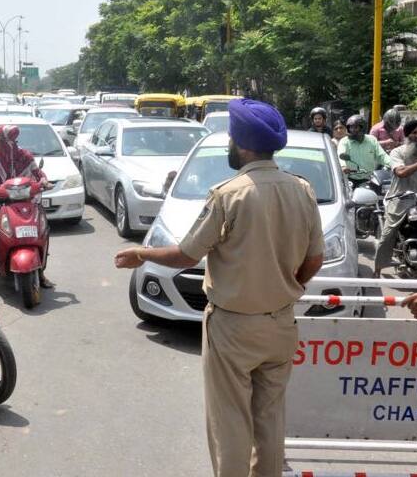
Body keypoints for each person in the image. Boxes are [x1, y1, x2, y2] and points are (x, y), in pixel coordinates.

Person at [115, 98, 324, 477]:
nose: (229, 144)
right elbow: (314, 260)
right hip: (281, 324)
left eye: (231, 138)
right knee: (270, 421)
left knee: (230, 423)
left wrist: (141, 253)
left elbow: (185, 254)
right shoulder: (302, 191)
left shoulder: (229, 194)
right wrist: (288, 285)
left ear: (242, 144)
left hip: (233, 327)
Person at [0, 125, 54, 293]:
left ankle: (40, 273)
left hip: (26, 201)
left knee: (43, 232)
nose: (6, 146)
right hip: (1, 201)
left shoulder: (25, 155)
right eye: (3, 142)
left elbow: (38, 172)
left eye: (9, 141)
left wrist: (44, 181)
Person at [373, 119, 417, 278]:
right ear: (407, 135)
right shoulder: (398, 152)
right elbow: (401, 172)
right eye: (414, 132)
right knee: (387, 234)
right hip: (400, 197)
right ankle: (377, 269)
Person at [338, 114, 391, 185]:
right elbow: (341, 155)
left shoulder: (372, 140)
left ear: (362, 128)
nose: (352, 130)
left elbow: (382, 156)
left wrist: (394, 164)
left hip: (369, 179)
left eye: (355, 127)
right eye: (350, 127)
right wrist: (343, 166)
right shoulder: (344, 141)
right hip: (349, 180)